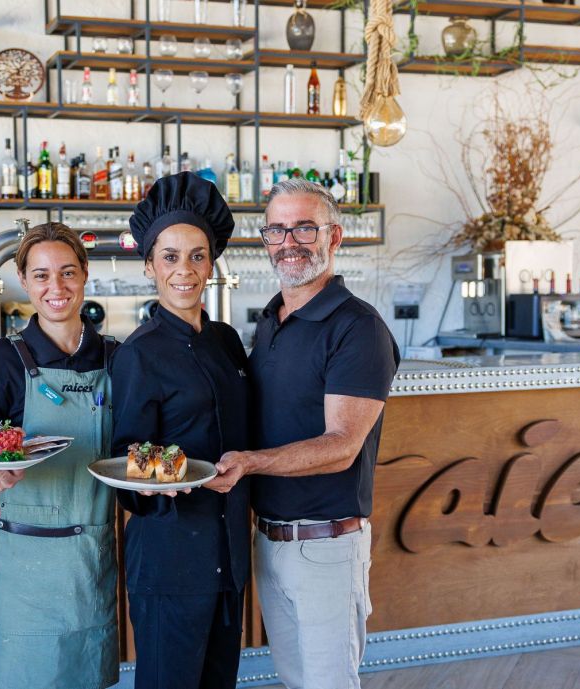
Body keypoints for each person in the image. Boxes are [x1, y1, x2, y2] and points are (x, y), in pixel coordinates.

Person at [206, 179, 399, 689]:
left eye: (304, 228)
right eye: (277, 230)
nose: (289, 242)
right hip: (269, 539)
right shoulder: (272, 318)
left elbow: (341, 446)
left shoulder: (358, 327)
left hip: (326, 547)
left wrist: (249, 461)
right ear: (265, 239)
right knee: (295, 681)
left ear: (335, 238)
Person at [111, 172, 251, 689]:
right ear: (149, 265)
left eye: (197, 255)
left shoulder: (228, 342)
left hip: (227, 556)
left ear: (211, 264)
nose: (184, 270)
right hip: (171, 560)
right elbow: (123, 458)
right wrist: (176, 477)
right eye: (170, 257)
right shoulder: (138, 353)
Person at [0, 222, 119, 689]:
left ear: (85, 274)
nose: (55, 287)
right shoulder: (3, 359)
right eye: (40, 275)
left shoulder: (118, 357)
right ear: (22, 279)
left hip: (88, 557)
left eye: (67, 272)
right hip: (24, 561)